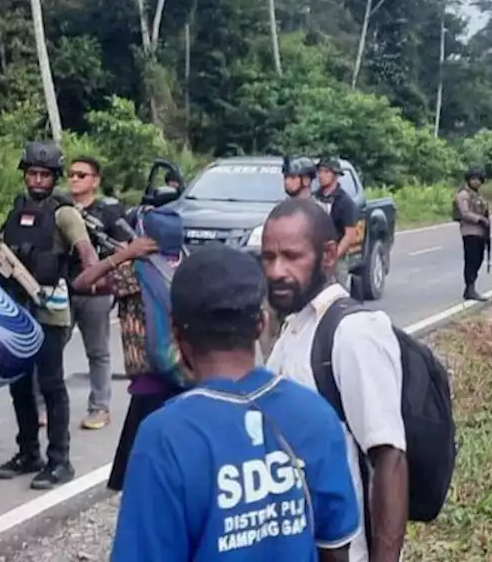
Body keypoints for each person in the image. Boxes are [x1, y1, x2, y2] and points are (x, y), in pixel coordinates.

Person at [112, 244, 360, 562]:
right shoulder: (315, 415)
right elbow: (336, 548)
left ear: (175, 332)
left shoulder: (164, 436)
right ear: (260, 324)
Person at [261, 198, 408, 562]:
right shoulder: (295, 328)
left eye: (292, 257)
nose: (277, 270)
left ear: (329, 256)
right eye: (268, 257)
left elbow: (390, 458)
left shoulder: (354, 332)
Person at [0, 141, 99, 489]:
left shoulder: (64, 213)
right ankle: (28, 453)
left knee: (52, 386)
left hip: (50, 312)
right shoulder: (16, 209)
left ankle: (60, 460)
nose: (37, 180)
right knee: (20, 386)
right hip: (16, 309)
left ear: (54, 178)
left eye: (45, 175)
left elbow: (87, 253)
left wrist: (88, 280)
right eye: (32, 173)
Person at [71, 207, 184, 493]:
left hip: (149, 382)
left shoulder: (134, 272)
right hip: (187, 377)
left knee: (141, 475)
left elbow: (82, 283)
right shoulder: (189, 268)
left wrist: (122, 255)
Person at [65, 155, 123, 431]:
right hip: (62, 288)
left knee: (98, 352)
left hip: (96, 292)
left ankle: (100, 407)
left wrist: (107, 278)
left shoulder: (108, 213)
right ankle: (41, 406)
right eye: (72, 174)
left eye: (81, 175)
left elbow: (124, 250)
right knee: (49, 349)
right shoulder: (61, 209)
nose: (74, 179)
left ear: (95, 181)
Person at [315, 158, 360, 288]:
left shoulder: (345, 202)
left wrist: (333, 256)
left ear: (335, 175)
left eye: (326, 172)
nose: (321, 175)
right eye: (320, 171)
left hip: (336, 256)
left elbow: (349, 235)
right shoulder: (314, 198)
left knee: (338, 292)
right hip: (315, 254)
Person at [454, 168, 490, 302]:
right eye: (473, 179)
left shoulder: (478, 195)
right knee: (471, 260)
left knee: (478, 259)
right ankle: (470, 288)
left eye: (478, 179)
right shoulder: (463, 195)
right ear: (468, 180)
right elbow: (465, 213)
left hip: (480, 232)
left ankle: (470, 288)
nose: (476, 182)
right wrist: (479, 219)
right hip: (469, 231)